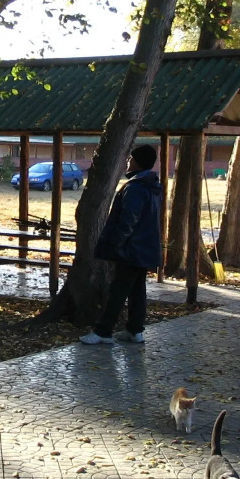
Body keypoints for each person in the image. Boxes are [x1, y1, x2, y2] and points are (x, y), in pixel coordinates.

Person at [79, 143, 163, 345]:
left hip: (131, 249)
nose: (128, 161)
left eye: (131, 159)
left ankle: (103, 331)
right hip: (145, 248)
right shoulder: (153, 186)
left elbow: (128, 219)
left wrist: (116, 244)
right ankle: (135, 330)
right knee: (137, 290)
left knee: (118, 290)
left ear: (138, 162)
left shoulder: (135, 188)